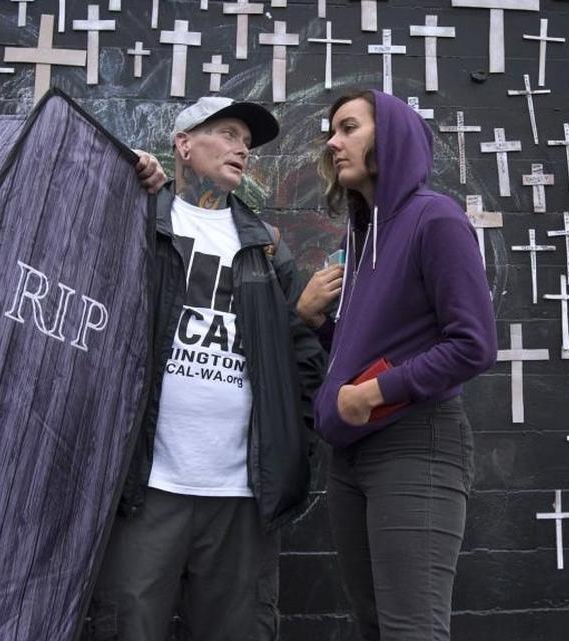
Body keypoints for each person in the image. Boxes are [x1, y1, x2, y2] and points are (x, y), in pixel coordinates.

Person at [89, 96, 325, 641]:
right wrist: (118, 172)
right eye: (228, 133)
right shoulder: (138, 219)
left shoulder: (264, 248)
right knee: (127, 628)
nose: (242, 147)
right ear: (184, 144)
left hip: (241, 496)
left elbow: (300, 359)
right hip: (146, 487)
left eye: (247, 141)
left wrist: (293, 446)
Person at [296, 89, 497, 641]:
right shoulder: (361, 238)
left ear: (392, 137)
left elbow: (474, 344)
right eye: (331, 131)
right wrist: (318, 324)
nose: (333, 142)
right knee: (375, 627)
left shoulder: (436, 218)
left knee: (411, 630)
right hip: (351, 455)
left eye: (349, 128)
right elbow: (371, 348)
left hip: (416, 444)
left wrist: (374, 394)